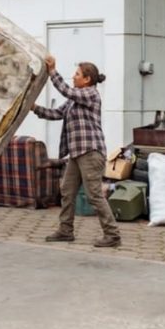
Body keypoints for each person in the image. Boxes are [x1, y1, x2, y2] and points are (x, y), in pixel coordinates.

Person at [33, 56, 121, 248]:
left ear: (87, 79)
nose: (73, 77)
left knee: (94, 195)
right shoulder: (73, 100)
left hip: (90, 152)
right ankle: (65, 231)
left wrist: (52, 71)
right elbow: (56, 113)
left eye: (77, 74)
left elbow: (66, 90)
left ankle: (112, 234)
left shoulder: (90, 94)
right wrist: (34, 108)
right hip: (76, 153)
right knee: (67, 191)